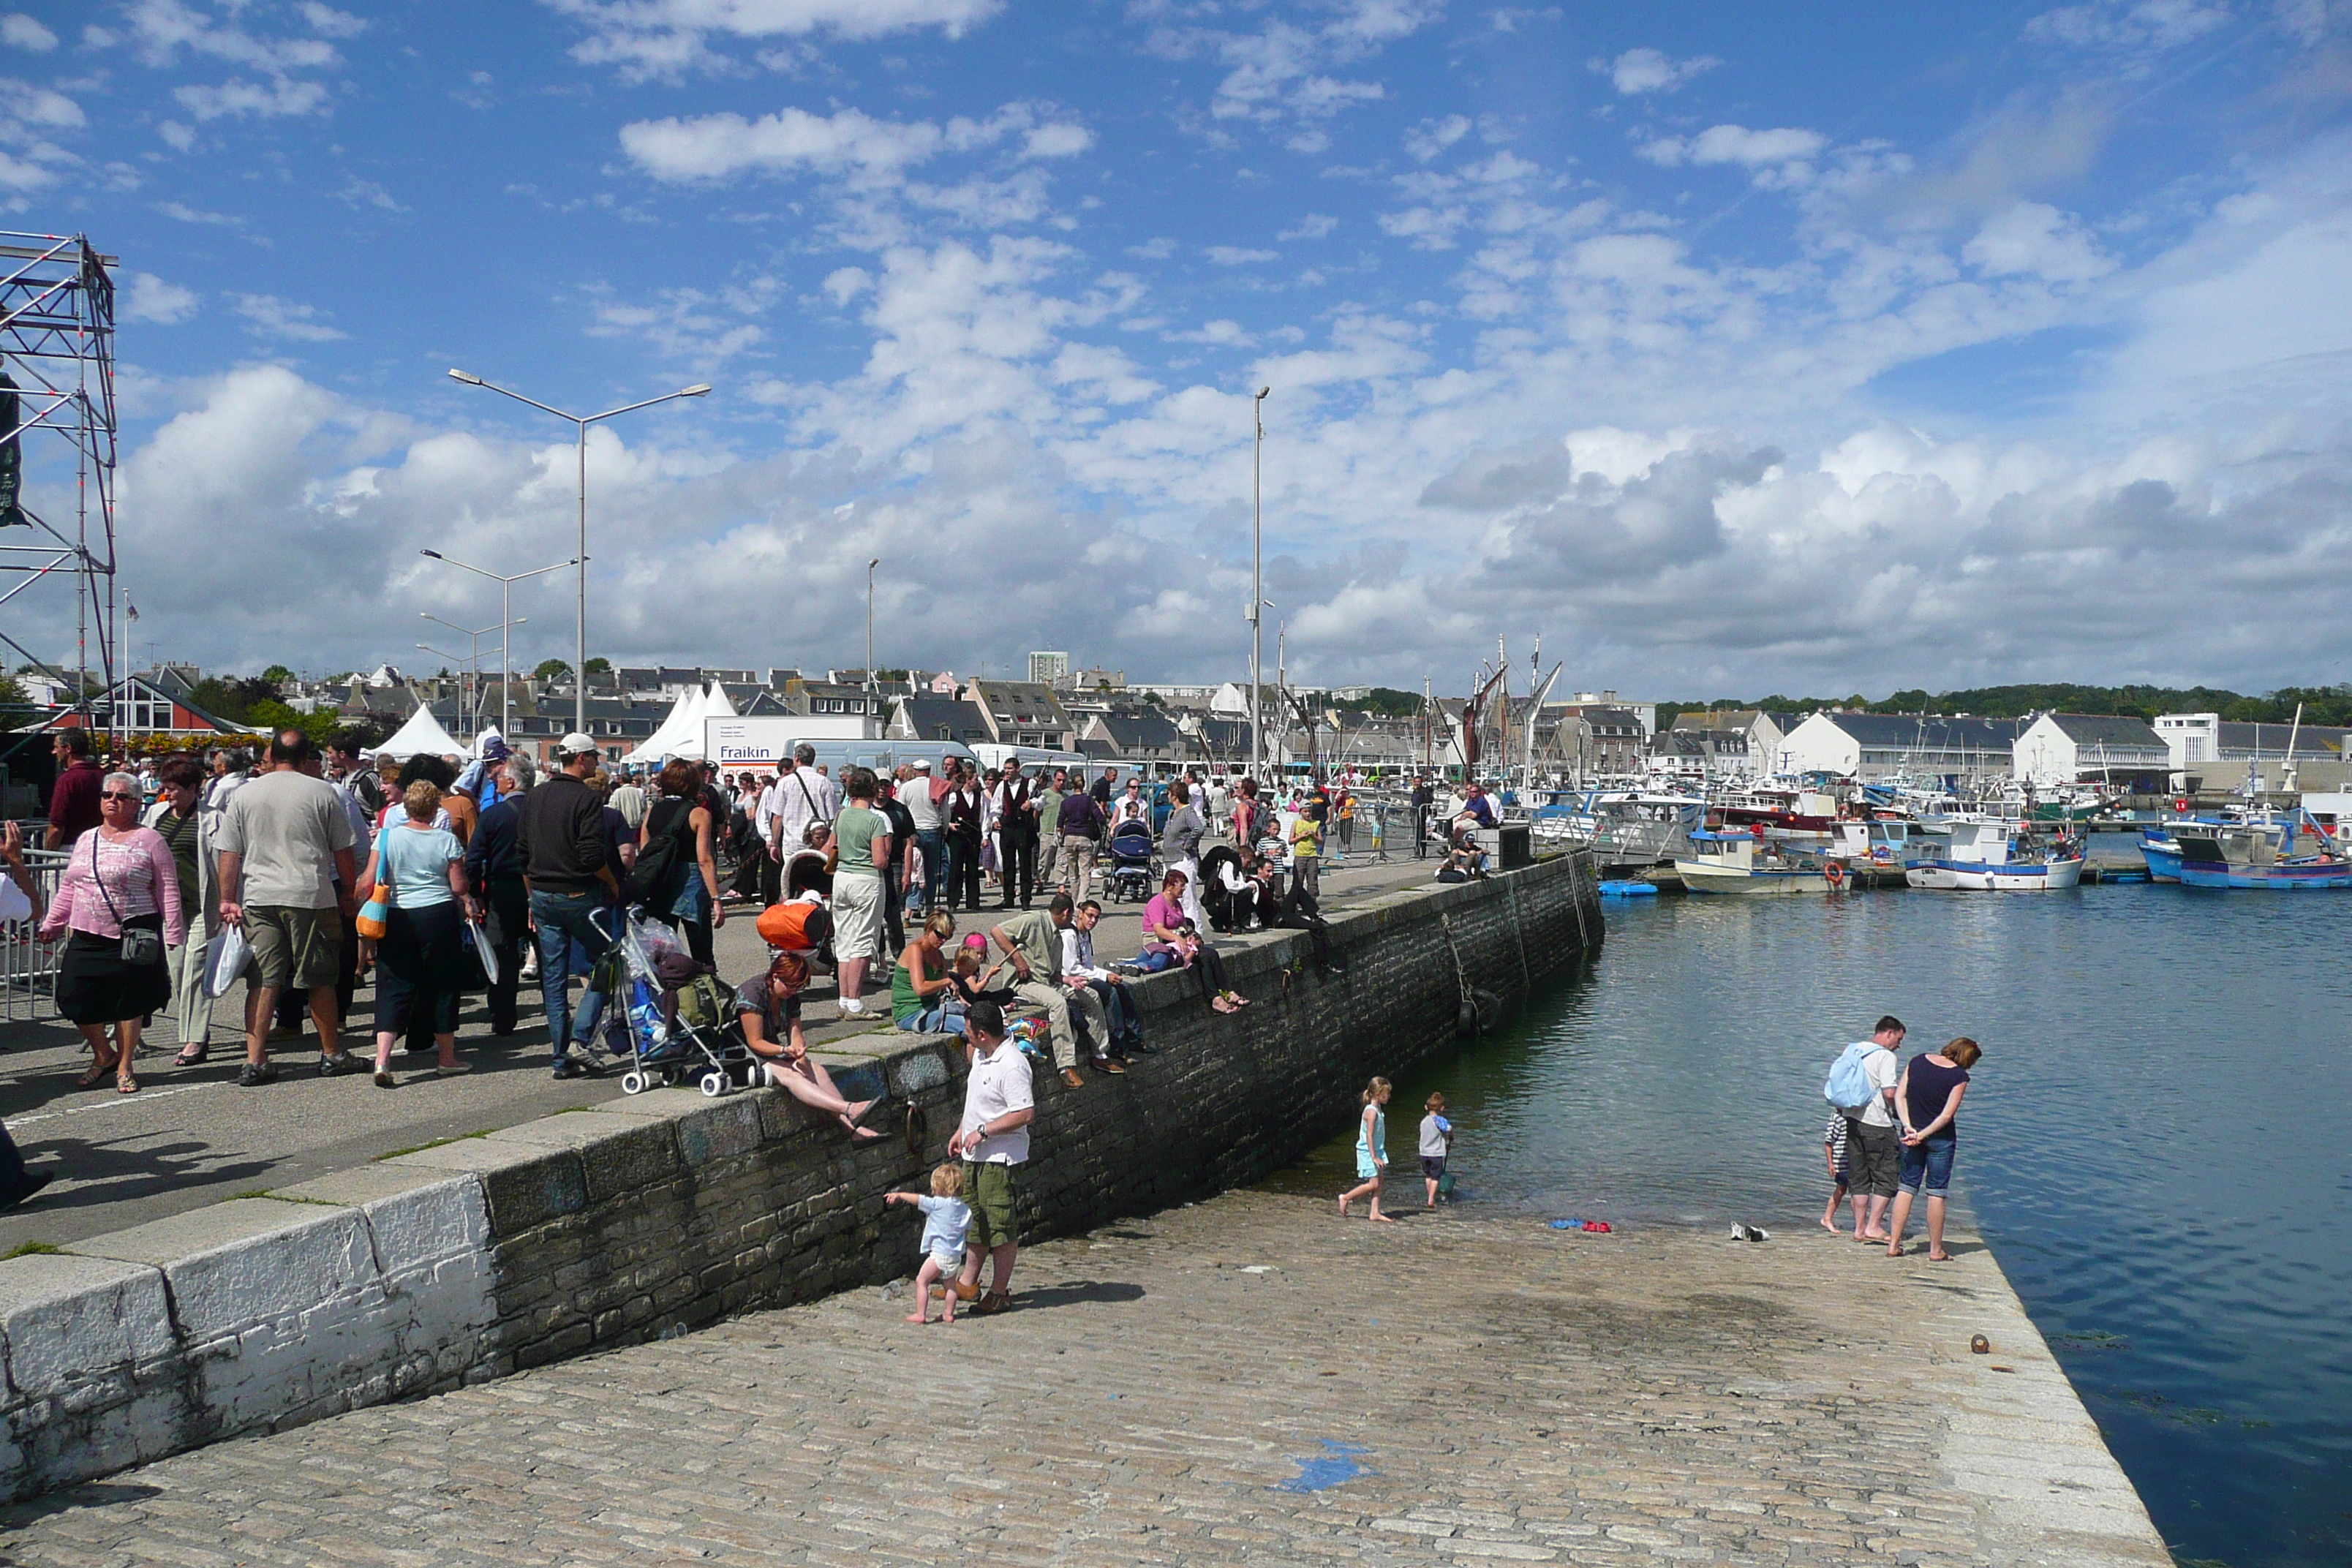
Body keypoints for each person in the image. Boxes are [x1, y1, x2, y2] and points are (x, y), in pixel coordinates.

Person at [215, 733, 360, 1085]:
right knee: (320, 979)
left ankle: (255, 1060)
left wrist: (227, 898)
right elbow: (343, 850)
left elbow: (229, 853)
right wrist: (349, 892)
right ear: (305, 756)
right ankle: (331, 1053)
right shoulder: (322, 792)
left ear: (272, 756)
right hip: (310, 893)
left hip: (260, 895)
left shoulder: (244, 793)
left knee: (263, 980)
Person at [42, 771, 184, 1094]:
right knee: (72, 996)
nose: (113, 801)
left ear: (136, 804)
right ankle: (104, 1054)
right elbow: (70, 886)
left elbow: (168, 888)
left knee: (128, 1003)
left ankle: (125, 1065)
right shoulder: (87, 838)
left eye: (121, 797)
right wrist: (53, 922)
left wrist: (174, 931)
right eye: (108, 795)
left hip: (134, 931)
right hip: (87, 931)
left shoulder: (150, 840)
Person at [517, 732, 621, 1079]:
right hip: (579, 895)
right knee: (608, 964)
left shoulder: (534, 796)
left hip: (543, 895)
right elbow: (592, 856)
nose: (596, 762)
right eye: (593, 756)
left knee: (554, 977)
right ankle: (580, 1038)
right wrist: (611, 882)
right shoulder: (587, 799)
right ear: (582, 759)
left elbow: (523, 854)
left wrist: (532, 896)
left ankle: (560, 1058)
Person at [358, 780, 472, 1086]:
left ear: (406, 806)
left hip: (396, 915)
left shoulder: (386, 837)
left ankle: (383, 1059)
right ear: (435, 808)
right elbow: (458, 887)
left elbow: (369, 881)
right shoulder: (446, 839)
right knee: (441, 985)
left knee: (393, 985)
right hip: (437, 914)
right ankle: (447, 1058)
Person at [734, 946, 884, 1140]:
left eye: (799, 987)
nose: (794, 991)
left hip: (770, 1052)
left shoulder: (790, 996)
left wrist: (798, 1051)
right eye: (791, 986)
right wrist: (784, 1049)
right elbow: (755, 1042)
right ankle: (850, 1109)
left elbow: (795, 1031)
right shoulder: (752, 993)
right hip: (742, 1057)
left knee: (817, 1071)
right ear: (775, 977)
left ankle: (853, 1130)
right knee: (792, 1076)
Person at [951, 1000, 1033, 1317]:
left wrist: (983, 1132)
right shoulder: (983, 1056)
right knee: (975, 1220)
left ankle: (1000, 1292)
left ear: (983, 1034)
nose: (965, 1036)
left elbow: (1024, 1113)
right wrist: (962, 1130)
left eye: (969, 1032)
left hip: (1000, 1158)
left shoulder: (1012, 1065)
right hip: (975, 1153)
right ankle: (969, 1282)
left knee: (1000, 1225)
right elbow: (976, 1099)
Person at [990, 894, 1117, 1087]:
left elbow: (1054, 975)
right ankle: (1065, 1066)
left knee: (1091, 996)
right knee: (1057, 1002)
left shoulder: (1058, 938)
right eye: (1072, 914)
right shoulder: (1034, 920)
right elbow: (996, 932)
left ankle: (1100, 1053)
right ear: (1066, 912)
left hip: (1047, 982)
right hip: (1024, 984)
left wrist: (1069, 980)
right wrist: (1018, 960)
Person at [140, 756, 211, 1067]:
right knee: (179, 970)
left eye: (172, 789)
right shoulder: (156, 815)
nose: (167, 794)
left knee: (195, 966)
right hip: (169, 907)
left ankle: (194, 1039)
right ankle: (196, 1030)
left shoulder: (211, 819)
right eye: (164, 788)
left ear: (192, 788)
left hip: (200, 906)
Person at [1886, 1037, 1979, 1262]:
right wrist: (1924, 1134)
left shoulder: (1917, 1061)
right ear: (1967, 1058)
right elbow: (1947, 1115)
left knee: (1906, 1187)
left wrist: (1909, 1128)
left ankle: (1893, 1244)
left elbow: (1899, 1096)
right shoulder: (1959, 1076)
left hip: (1909, 1135)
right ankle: (1936, 1250)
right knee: (1936, 1192)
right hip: (1940, 1139)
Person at [464, 753, 533, 1035]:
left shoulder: (493, 814)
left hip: (501, 889)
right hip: (538, 886)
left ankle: (503, 1015)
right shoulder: (540, 810)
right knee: (548, 954)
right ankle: (557, 1012)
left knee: (501, 954)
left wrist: (474, 892)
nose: (496, 781)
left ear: (511, 781)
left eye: (501, 776)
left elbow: (474, 857)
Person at [639, 759, 725, 969]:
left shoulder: (652, 812)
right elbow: (704, 859)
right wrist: (716, 898)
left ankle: (667, 990)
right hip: (691, 882)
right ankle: (704, 992)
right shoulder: (699, 814)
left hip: (661, 882)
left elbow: (645, 850)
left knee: (663, 948)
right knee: (701, 948)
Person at [1837, 1017, 1907, 1243]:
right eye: (1899, 1038)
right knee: (1887, 1177)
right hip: (1878, 1124)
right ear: (1889, 1033)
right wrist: (1902, 1113)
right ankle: (1874, 1226)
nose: (1899, 1044)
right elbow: (1889, 1093)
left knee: (1859, 1177)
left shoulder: (1852, 1049)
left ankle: (1859, 1229)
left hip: (1852, 1120)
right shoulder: (1886, 1056)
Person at [829, 766, 892, 1019]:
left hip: (842, 878)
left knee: (844, 940)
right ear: (873, 789)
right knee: (864, 942)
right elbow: (879, 861)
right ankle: (855, 1002)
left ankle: (844, 999)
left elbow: (830, 846)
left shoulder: (841, 815)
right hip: (866, 880)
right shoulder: (875, 820)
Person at [1143, 870, 1243, 1013]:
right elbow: (1159, 930)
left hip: (1178, 943)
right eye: (1181, 886)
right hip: (1161, 945)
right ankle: (1216, 998)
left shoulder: (1176, 904)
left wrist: (1194, 938)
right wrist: (1177, 937)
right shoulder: (1157, 903)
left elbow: (1184, 927)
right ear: (1169, 886)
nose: (1184, 889)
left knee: (1211, 954)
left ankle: (1226, 993)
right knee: (1204, 957)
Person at [884, 1164, 971, 1324]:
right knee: (951, 1286)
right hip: (955, 1256)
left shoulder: (937, 1204)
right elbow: (966, 1231)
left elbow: (917, 1199)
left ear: (938, 1188)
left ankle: (920, 1314)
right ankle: (948, 1314)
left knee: (922, 1281)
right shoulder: (966, 1210)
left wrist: (900, 1195)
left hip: (939, 1254)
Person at [1061, 900, 1142, 1058]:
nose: (1093, 921)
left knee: (1124, 987)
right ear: (1080, 914)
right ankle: (1117, 1044)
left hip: (1084, 975)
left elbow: (1089, 965)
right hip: (1072, 980)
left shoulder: (1086, 935)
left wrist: (1107, 974)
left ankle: (1135, 1038)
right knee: (1110, 992)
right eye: (1090, 916)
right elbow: (1072, 968)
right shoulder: (1069, 935)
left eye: (1096, 918)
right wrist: (1105, 976)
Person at [892, 909, 966, 1035]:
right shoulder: (915, 950)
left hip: (933, 1007)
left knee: (978, 1021)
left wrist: (968, 1006)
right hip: (910, 1012)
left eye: (948, 937)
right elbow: (920, 988)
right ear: (928, 928)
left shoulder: (939, 955)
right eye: (940, 935)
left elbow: (949, 992)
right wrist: (947, 981)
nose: (944, 940)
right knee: (967, 1028)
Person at [1338, 1077, 1394, 1222]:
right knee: (1373, 1183)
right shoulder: (1372, 1112)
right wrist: (1374, 1157)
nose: (1389, 1096)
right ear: (1378, 1094)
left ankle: (1374, 1212)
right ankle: (1346, 1197)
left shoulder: (1378, 1110)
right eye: (1386, 1094)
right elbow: (1369, 1136)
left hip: (1377, 1150)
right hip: (1368, 1152)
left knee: (1380, 1181)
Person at [876, 770, 918, 954]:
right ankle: (878, 955)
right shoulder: (866, 810)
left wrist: (907, 874)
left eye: (886, 784)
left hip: (893, 865)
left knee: (893, 912)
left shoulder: (899, 811)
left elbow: (908, 843)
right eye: (878, 784)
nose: (882, 789)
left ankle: (899, 952)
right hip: (871, 866)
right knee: (874, 913)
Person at [44, 728, 105, 849]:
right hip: (100, 845)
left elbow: (57, 824)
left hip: (71, 848)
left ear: (68, 749)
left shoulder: (68, 779)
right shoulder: (103, 775)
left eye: (56, 747)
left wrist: (49, 853)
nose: (54, 752)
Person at [1158, 778, 1206, 930]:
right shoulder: (1172, 813)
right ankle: (1175, 930)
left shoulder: (1187, 811)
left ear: (1175, 796)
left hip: (1183, 859)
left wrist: (1188, 844)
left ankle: (1195, 932)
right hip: (1169, 860)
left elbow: (1198, 828)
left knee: (1187, 898)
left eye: (1169, 793)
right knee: (1170, 896)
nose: (1167, 796)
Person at [902, 758, 946, 914]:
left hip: (914, 831)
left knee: (914, 869)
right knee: (930, 871)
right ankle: (929, 904)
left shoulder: (906, 787)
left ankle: (915, 904)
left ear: (914, 771)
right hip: (932, 829)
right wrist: (945, 828)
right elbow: (945, 811)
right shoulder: (937, 785)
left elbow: (902, 810)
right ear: (929, 770)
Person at [1054, 783, 1107, 907]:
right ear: (1083, 786)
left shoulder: (1066, 802)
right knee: (1085, 872)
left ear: (1072, 786)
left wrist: (1060, 837)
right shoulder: (1088, 801)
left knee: (1073, 873)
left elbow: (1060, 822)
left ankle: (1074, 900)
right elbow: (1101, 818)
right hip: (1084, 837)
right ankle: (1082, 901)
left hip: (1069, 838)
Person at [943, 761, 985, 912]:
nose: (977, 782)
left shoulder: (979, 797)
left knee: (973, 868)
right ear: (968, 780)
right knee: (956, 867)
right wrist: (948, 825)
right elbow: (944, 813)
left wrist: (984, 835)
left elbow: (982, 816)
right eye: (975, 779)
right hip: (958, 836)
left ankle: (973, 901)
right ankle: (953, 902)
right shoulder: (955, 796)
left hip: (973, 835)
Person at [992, 765, 1036, 911]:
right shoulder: (1001, 785)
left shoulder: (1029, 784)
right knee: (1008, 864)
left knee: (1025, 864)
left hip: (1024, 828)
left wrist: (1031, 803)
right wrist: (994, 820)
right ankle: (1008, 897)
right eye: (1005, 768)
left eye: (1010, 768)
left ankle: (1026, 898)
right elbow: (996, 806)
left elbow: (1041, 800)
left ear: (1018, 769)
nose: (1007, 771)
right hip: (1007, 828)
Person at [1419, 1091, 1453, 1208]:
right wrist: (1451, 1137)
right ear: (1442, 1108)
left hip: (1423, 1153)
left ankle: (1430, 1196)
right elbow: (1449, 1129)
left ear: (1426, 1107)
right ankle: (1431, 1199)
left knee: (1428, 1175)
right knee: (1435, 1177)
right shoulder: (1440, 1120)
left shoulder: (1423, 1121)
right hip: (1436, 1154)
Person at [1289, 792, 1324, 903]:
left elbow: (1320, 841)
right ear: (1300, 812)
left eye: (1309, 811)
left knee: (1312, 881)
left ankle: (1312, 904)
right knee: (1298, 881)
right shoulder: (1297, 823)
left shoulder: (1316, 823)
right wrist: (1300, 836)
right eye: (1305, 811)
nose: (1308, 814)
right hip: (1300, 855)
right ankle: (1294, 904)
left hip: (1312, 855)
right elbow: (1291, 841)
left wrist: (1313, 836)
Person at [1820, 1113, 1851, 1235]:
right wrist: (1830, 1163)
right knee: (1842, 1189)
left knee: (1844, 1189)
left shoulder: (1854, 1116)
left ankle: (1827, 1218)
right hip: (1841, 1160)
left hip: (1853, 1158)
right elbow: (1828, 1142)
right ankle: (1827, 1218)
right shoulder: (1837, 1118)